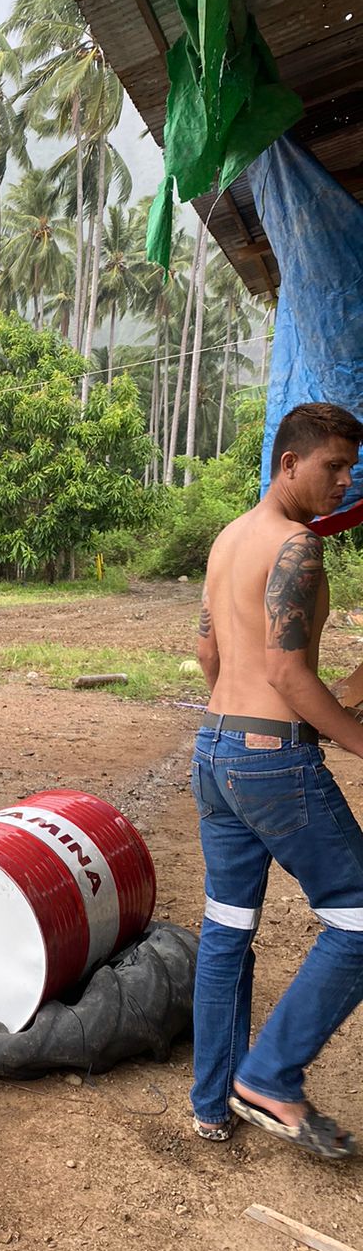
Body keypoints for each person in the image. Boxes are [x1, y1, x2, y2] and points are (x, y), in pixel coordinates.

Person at [192, 401, 363, 1159]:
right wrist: (357, 740)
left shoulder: (229, 539)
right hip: (271, 762)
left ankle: (211, 1101)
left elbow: (210, 657)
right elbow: (290, 676)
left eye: (351, 469)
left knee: (228, 929)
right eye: (333, 467)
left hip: (216, 752)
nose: (344, 482)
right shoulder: (296, 546)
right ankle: (268, 1077)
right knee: (360, 919)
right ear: (289, 463)